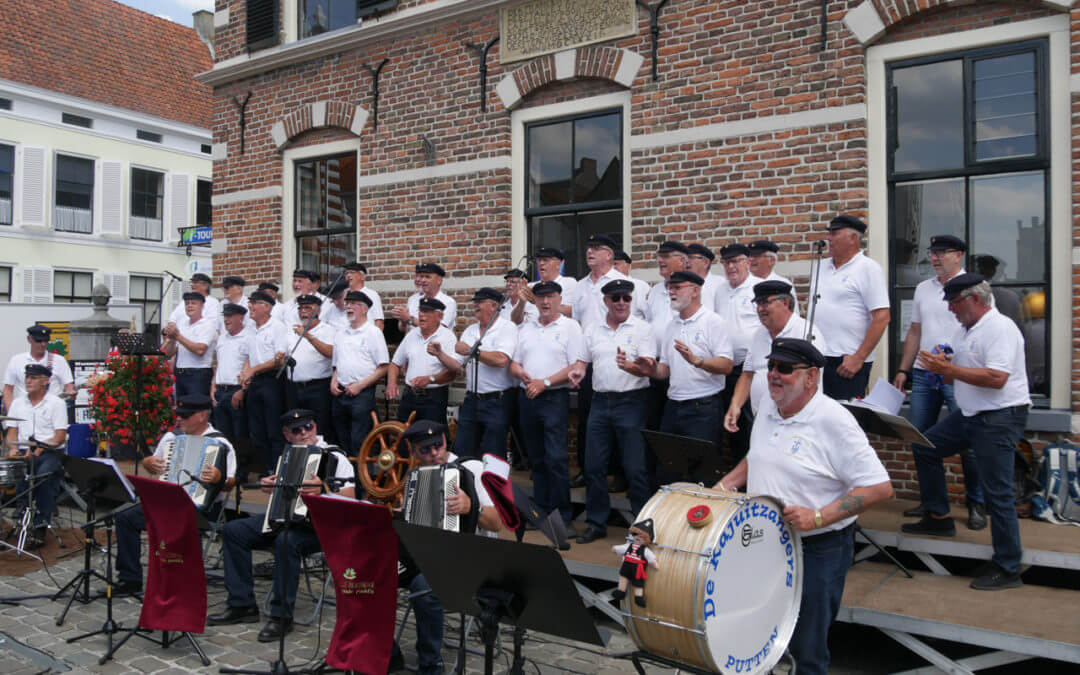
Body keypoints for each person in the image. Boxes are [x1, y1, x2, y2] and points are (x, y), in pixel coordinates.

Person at [714, 338, 893, 675]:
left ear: (812, 376)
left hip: (816, 551)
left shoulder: (834, 421)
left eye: (784, 369)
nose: (772, 375)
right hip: (764, 544)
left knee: (806, 651)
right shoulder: (769, 405)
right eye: (770, 367)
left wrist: (819, 516)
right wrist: (725, 485)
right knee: (759, 640)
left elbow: (879, 487)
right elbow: (761, 456)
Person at [903, 274, 1031, 591]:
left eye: (954, 302)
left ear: (974, 299)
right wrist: (941, 367)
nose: (950, 308)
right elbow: (958, 377)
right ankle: (938, 518)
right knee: (924, 447)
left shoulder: (1000, 328)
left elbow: (996, 377)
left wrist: (948, 370)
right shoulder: (964, 331)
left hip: (999, 418)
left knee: (997, 493)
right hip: (971, 415)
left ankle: (1008, 566)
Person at [207, 410, 355, 641]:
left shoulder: (335, 456)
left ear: (315, 426)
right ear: (287, 435)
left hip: (321, 528)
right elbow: (281, 495)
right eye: (297, 430)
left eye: (308, 427)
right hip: (284, 519)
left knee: (286, 541)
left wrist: (323, 490)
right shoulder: (287, 456)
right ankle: (241, 604)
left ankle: (280, 617)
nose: (304, 433)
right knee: (233, 531)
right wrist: (268, 486)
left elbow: (351, 496)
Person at [392, 420, 502, 674]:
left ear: (445, 441)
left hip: (471, 559)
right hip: (426, 557)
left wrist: (470, 507)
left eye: (437, 446)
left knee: (423, 586)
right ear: (413, 451)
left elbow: (496, 523)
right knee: (373, 573)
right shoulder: (416, 476)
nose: (434, 454)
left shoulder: (471, 468)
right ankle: (387, 652)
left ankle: (431, 664)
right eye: (425, 449)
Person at [893, 235, 985, 531]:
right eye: (932, 253)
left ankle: (976, 503)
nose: (934, 258)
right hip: (924, 372)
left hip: (958, 373)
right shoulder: (922, 289)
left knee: (968, 441)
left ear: (958, 255)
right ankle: (932, 504)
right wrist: (903, 369)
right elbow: (915, 331)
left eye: (941, 253)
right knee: (920, 438)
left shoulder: (973, 287)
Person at [114, 393, 236, 595]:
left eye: (185, 416)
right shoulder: (172, 438)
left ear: (202, 416)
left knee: (180, 521)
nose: (179, 419)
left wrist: (219, 479)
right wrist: (147, 463)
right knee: (124, 518)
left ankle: (183, 580)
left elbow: (231, 482)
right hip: (167, 502)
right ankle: (129, 579)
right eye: (179, 414)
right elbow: (155, 465)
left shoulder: (221, 444)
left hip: (201, 509)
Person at [576, 279, 655, 544]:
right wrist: (577, 371)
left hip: (631, 402)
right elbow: (582, 361)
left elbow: (649, 370)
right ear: (606, 301)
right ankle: (596, 522)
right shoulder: (592, 329)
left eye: (626, 298)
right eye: (616, 298)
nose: (622, 303)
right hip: (599, 402)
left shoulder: (643, 329)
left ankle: (642, 526)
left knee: (635, 468)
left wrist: (629, 366)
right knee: (594, 465)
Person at [636, 271, 732, 483]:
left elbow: (727, 365)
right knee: (668, 472)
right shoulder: (672, 325)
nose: (671, 291)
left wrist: (699, 362)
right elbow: (666, 370)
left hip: (703, 407)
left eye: (678, 287)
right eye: (670, 287)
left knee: (702, 475)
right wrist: (650, 370)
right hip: (674, 406)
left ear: (695, 291)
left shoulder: (713, 322)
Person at [509, 281, 585, 527]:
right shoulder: (526, 328)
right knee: (537, 459)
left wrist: (545, 383)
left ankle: (563, 516)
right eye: (540, 297)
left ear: (559, 299)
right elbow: (514, 362)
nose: (545, 302)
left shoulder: (570, 327)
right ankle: (539, 512)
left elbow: (576, 364)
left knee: (556, 459)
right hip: (528, 397)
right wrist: (521, 374)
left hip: (553, 398)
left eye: (550, 297)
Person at [812, 215, 890, 400]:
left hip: (846, 360)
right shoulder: (820, 266)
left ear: (853, 238)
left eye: (835, 233)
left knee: (846, 417)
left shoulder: (868, 268)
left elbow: (882, 317)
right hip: (818, 356)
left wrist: (858, 358)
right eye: (829, 233)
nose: (828, 238)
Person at [725, 281, 822, 430]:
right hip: (761, 421)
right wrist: (735, 405)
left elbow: (813, 382)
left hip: (795, 423)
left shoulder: (806, 333)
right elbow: (748, 374)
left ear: (785, 302)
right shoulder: (758, 335)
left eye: (765, 303)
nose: (760, 309)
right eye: (758, 304)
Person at [3, 364, 68, 549]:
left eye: (34, 377)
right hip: (25, 450)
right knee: (15, 472)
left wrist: (40, 448)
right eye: (27, 377)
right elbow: (12, 431)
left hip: (50, 451)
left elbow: (60, 436)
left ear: (45, 381)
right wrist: (13, 448)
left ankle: (40, 524)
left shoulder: (56, 403)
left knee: (44, 476)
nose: (28, 381)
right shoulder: (17, 402)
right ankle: (21, 512)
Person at [713, 243, 765, 462]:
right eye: (726, 263)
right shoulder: (721, 291)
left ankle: (752, 475)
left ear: (748, 262)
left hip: (752, 368)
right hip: (726, 368)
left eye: (735, 261)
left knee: (750, 424)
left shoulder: (760, 288)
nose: (730, 267)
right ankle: (735, 473)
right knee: (731, 425)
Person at [453, 288, 517, 459]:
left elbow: (501, 359)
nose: (476, 305)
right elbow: (457, 364)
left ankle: (491, 486)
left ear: (494, 305)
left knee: (493, 453)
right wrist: (439, 354)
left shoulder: (507, 328)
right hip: (471, 399)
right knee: (463, 450)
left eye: (480, 302)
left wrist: (472, 351)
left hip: (496, 401)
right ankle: (465, 485)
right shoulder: (470, 330)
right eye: (475, 302)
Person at [330, 290, 389, 456]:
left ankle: (361, 480)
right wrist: (333, 381)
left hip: (361, 395)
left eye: (353, 304)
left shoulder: (373, 332)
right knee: (342, 440)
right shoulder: (341, 333)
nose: (348, 307)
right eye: (347, 303)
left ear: (364, 309)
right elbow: (337, 363)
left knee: (360, 441)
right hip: (340, 393)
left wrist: (360, 386)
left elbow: (384, 366)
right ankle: (346, 478)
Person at [387, 297, 460, 426]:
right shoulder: (412, 334)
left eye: (427, 312)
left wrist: (431, 379)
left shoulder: (448, 337)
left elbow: (453, 372)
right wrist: (391, 382)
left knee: (430, 440)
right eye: (421, 311)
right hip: (409, 396)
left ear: (439, 316)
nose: (421, 315)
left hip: (433, 398)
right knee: (403, 437)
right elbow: (395, 363)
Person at [239, 290, 290, 472]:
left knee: (273, 429)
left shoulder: (277, 327)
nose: (250, 307)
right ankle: (266, 469)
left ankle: (278, 471)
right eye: (250, 302)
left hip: (272, 381)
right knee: (256, 430)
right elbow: (248, 356)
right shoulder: (251, 328)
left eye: (255, 303)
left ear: (267, 307)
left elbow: (279, 359)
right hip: (255, 383)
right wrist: (245, 373)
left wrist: (253, 369)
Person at [644, 241, 690, 433]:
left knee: (678, 429)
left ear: (682, 260)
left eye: (666, 256)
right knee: (655, 424)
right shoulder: (654, 291)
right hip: (657, 368)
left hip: (682, 367)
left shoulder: (690, 289)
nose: (660, 260)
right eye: (659, 256)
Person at [285, 295, 336, 443]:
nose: (303, 311)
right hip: (294, 387)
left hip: (318, 387)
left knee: (320, 427)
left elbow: (330, 353)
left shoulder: (328, 330)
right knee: (297, 427)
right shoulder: (292, 331)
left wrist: (307, 335)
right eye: (300, 308)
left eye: (308, 308)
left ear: (318, 310)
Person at [212, 303, 252, 458]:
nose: (226, 320)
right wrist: (212, 388)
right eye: (225, 316)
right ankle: (225, 469)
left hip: (236, 391)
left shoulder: (249, 337)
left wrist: (242, 391)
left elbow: (250, 367)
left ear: (241, 318)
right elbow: (218, 364)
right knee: (223, 435)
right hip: (220, 391)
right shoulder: (222, 337)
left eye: (230, 316)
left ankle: (241, 472)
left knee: (240, 435)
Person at [3, 325, 75, 409]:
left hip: (52, 410)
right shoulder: (16, 360)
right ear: (29, 339)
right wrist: (11, 414)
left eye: (46, 341)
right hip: (25, 410)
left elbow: (69, 385)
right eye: (39, 341)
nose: (43, 344)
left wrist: (71, 393)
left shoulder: (59, 360)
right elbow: (8, 390)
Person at [162, 291, 217, 398]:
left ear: (202, 306)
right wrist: (172, 339)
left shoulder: (207, 325)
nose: (190, 306)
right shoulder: (182, 324)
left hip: (198, 374)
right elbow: (169, 353)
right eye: (187, 303)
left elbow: (200, 350)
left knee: (196, 410)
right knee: (183, 411)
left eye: (193, 303)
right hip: (180, 373)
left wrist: (177, 336)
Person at [392, 263, 457, 333]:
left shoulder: (448, 302)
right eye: (422, 277)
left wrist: (409, 319)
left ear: (439, 280)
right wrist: (403, 319)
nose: (423, 280)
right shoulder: (413, 300)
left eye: (427, 277)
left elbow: (438, 330)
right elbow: (402, 329)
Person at [519, 247, 576, 317]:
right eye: (539, 260)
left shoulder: (569, 283)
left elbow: (573, 312)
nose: (541, 263)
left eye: (546, 260)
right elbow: (515, 321)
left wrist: (537, 301)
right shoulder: (530, 287)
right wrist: (521, 303)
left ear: (558, 264)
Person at [747, 240, 798, 311]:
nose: (751, 259)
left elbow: (792, 315)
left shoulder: (783, 285)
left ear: (772, 260)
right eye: (749, 256)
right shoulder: (742, 283)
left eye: (756, 256)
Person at [340, 261, 384, 330]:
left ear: (362, 276)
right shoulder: (342, 295)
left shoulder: (371, 294)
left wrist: (375, 338)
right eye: (346, 273)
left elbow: (379, 321)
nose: (348, 275)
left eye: (352, 272)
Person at [686, 243, 723, 312]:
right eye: (686, 258)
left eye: (691, 257)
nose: (687, 261)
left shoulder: (720, 284)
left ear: (706, 263)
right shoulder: (682, 284)